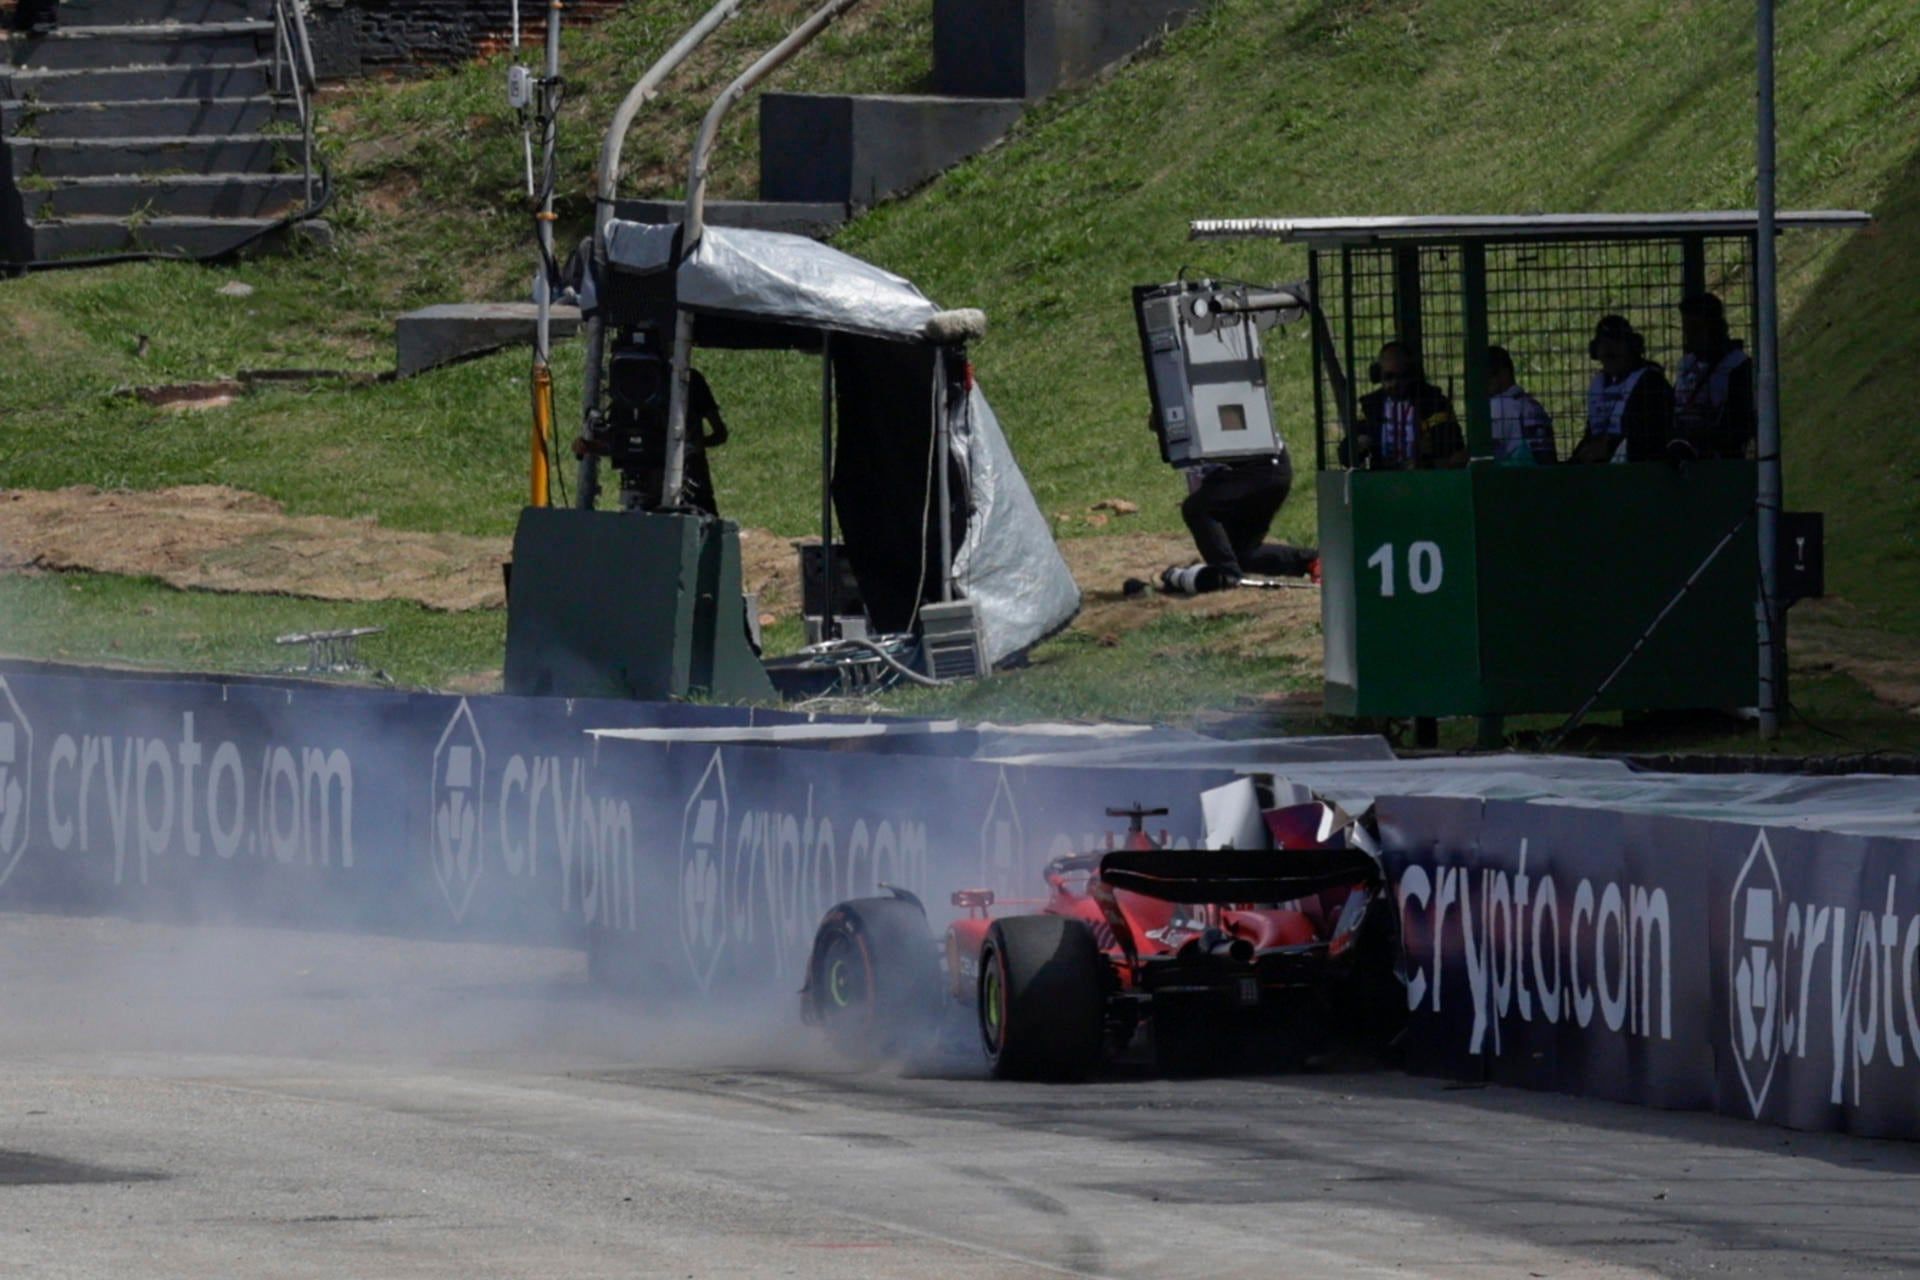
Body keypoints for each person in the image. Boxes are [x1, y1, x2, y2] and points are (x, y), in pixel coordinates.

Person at [1161, 451, 1320, 595]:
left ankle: (1228, 576)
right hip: (1267, 472)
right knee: (1241, 553)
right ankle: (1311, 561)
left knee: (1197, 508)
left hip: (1258, 470)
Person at [1343, 341, 1466, 470]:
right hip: (1382, 481)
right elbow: (1347, 453)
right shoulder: (1372, 406)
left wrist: (1429, 449)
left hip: (1425, 479)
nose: (1395, 383)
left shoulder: (1433, 401)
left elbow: (1452, 444)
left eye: (1402, 376)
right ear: (1378, 375)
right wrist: (1358, 445)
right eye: (1389, 376)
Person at [1569, 314, 1673, 464]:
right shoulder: (1600, 386)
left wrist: (1610, 447)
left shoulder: (1651, 383)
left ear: (1632, 348)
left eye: (1616, 343)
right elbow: (1592, 435)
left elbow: (1651, 439)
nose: (1609, 349)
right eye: (1604, 344)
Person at [1671, 292, 1756, 459]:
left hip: (1719, 458)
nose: (1689, 336)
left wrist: (1707, 434)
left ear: (1715, 327)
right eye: (1686, 329)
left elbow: (1741, 425)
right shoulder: (1686, 365)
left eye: (1695, 329)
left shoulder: (1737, 366)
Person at [1485, 345, 1556, 464]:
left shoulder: (1498, 406)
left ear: (1504, 373)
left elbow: (1485, 454)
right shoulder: (1534, 405)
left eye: (1489, 376)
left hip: (1517, 479)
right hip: (1548, 479)